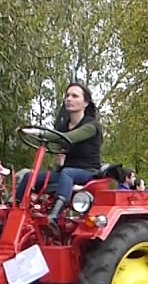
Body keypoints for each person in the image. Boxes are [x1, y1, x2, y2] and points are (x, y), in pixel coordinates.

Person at [41, 82, 104, 221]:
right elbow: (61, 148)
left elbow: (69, 138)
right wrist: (59, 164)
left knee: (67, 172)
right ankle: (12, 213)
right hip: (66, 173)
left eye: (75, 96)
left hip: (88, 172)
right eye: (67, 96)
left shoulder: (91, 126)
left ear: (85, 103)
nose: (69, 99)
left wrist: (40, 133)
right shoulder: (64, 126)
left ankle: (55, 215)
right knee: (29, 176)